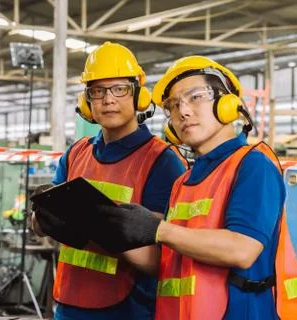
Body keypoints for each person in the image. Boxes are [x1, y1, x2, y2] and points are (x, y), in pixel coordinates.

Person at [88, 56, 297, 319]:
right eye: (173, 105)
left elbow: (242, 249)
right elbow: (165, 262)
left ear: (227, 104)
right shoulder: (184, 182)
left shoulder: (252, 164)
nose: (183, 111)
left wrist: (158, 229)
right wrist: (103, 230)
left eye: (195, 97)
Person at [32, 41, 186, 320]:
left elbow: (165, 261)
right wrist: (42, 218)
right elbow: (40, 227)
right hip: (68, 305)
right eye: (97, 91)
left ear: (139, 96)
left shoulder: (162, 162)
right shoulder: (76, 153)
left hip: (128, 310)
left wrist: (106, 229)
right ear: (86, 100)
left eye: (119, 89)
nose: (108, 99)